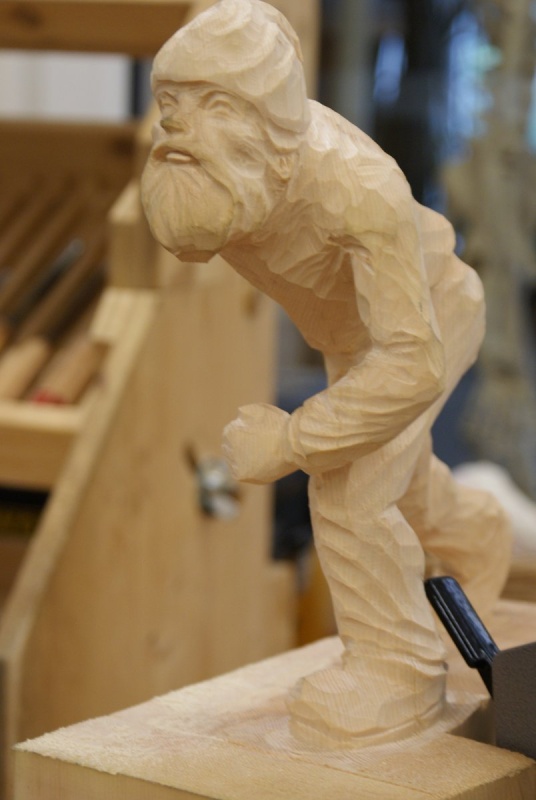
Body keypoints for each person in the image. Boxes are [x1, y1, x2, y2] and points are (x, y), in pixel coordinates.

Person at [142, 0, 511, 746]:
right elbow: (194, 223)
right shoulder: (218, 176)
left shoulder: (357, 187)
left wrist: (292, 439)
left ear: (268, 121)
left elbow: (411, 361)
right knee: (398, 479)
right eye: (170, 101)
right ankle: (471, 532)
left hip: (427, 321)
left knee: (347, 484)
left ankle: (400, 674)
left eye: (214, 104)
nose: (176, 125)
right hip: (351, 335)